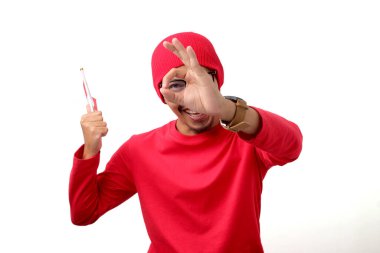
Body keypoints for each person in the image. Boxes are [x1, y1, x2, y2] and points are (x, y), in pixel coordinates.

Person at [69, 31, 303, 253]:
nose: (193, 98)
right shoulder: (139, 150)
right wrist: (91, 149)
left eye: (201, 79)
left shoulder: (247, 138)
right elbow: (84, 213)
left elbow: (292, 146)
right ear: (161, 94)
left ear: (217, 83)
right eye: (177, 84)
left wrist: (225, 108)